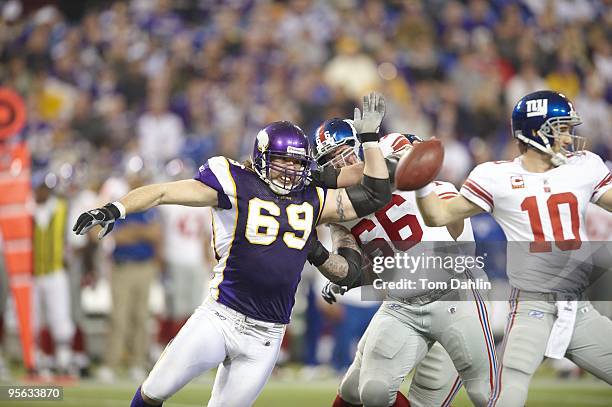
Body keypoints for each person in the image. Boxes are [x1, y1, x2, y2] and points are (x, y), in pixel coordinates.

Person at [73, 93, 392, 407]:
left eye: (297, 163)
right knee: (153, 392)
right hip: (220, 316)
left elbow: (376, 192)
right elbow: (162, 192)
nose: (290, 171)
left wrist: (370, 142)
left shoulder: (313, 196)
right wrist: (115, 208)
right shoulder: (235, 182)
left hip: (267, 333)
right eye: (283, 161)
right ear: (263, 157)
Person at [414, 90, 612, 406]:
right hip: (532, 307)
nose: (568, 135)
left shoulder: (584, 165)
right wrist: (422, 184)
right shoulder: (496, 176)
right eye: (560, 127)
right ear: (536, 131)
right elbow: (439, 214)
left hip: (578, 308)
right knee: (507, 395)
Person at [308, 128, 496, 407]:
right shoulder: (339, 208)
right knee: (370, 391)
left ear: (361, 146)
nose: (341, 164)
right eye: (331, 161)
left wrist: (363, 155)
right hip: (402, 304)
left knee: (484, 392)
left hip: (454, 291)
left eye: (345, 153)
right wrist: (317, 252)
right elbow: (355, 267)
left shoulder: (387, 150)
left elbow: (416, 157)